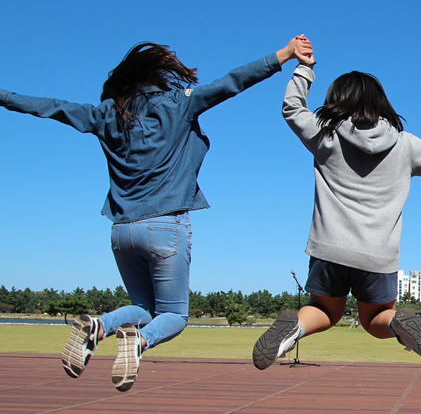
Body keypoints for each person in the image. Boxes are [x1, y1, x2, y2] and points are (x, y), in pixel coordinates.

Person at [0, 36, 312, 391]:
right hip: (166, 226)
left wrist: (4, 96)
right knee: (174, 316)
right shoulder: (178, 103)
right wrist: (284, 55)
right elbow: (231, 83)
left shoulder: (105, 114)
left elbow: (52, 107)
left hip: (121, 231)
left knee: (144, 309)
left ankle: (100, 326)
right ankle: (139, 341)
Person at [251, 41, 421, 369]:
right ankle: (397, 324)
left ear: (336, 101)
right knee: (375, 318)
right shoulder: (405, 145)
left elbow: (292, 108)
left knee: (325, 311)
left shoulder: (326, 136)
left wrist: (304, 68)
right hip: (378, 255)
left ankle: (294, 328)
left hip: (328, 249)